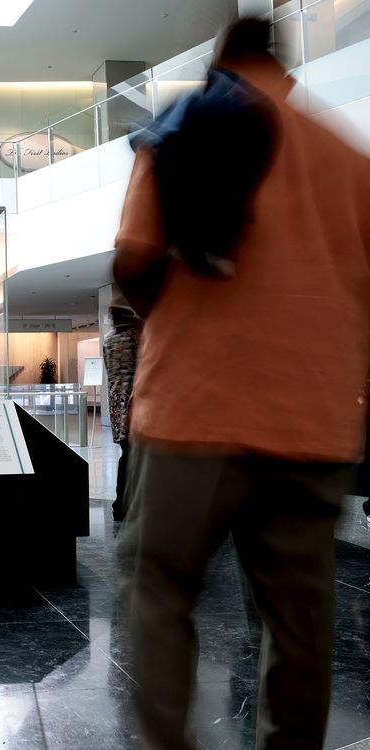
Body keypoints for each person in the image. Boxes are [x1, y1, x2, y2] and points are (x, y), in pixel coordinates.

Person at [114, 17, 370, 750]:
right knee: (300, 618)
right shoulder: (350, 161)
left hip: (197, 408)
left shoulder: (187, 129)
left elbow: (133, 262)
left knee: (159, 586)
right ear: (284, 60)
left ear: (223, 59)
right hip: (315, 423)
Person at [102, 297, 140, 522]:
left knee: (127, 453)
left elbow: (109, 370)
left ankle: (121, 504)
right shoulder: (134, 337)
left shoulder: (108, 339)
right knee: (134, 455)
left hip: (117, 404)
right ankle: (128, 503)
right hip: (136, 403)